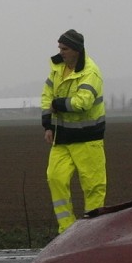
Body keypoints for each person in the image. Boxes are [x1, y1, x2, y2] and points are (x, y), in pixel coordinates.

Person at [41, 29, 106, 233]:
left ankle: (92, 232)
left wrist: (57, 104)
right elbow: (46, 95)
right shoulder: (57, 68)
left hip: (88, 138)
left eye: (65, 48)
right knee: (55, 178)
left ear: (77, 50)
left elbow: (83, 102)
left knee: (93, 185)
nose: (61, 52)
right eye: (59, 48)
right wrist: (48, 125)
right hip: (61, 138)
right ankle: (67, 231)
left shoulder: (90, 72)